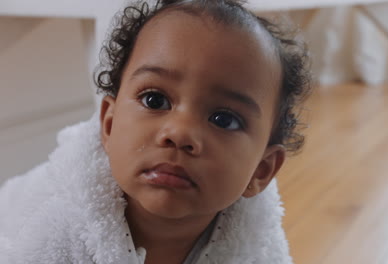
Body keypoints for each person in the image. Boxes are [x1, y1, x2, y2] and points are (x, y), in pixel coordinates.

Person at [0, 0, 311, 263]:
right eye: (155, 100)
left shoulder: (254, 246)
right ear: (108, 125)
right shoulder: (55, 228)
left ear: (261, 169)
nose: (179, 133)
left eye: (223, 119)